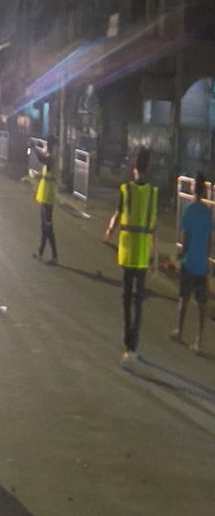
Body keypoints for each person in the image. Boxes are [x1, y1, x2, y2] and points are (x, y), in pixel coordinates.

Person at [104, 147, 157, 364]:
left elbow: (117, 215)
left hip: (126, 252)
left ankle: (128, 344)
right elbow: (153, 229)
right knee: (138, 302)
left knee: (126, 299)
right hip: (143, 254)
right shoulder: (153, 193)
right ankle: (134, 345)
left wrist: (109, 231)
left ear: (134, 166)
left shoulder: (126, 189)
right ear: (148, 166)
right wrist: (155, 259)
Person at [173, 173, 210, 353]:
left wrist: (181, 254)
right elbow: (209, 239)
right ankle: (198, 340)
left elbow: (186, 238)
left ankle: (179, 331)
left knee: (184, 298)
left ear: (195, 188)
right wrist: (207, 257)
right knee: (201, 303)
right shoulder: (207, 213)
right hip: (202, 263)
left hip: (189, 261)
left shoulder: (188, 210)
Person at [33, 135, 58, 264]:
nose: (47, 146)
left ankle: (54, 256)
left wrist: (34, 148)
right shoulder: (50, 157)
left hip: (48, 196)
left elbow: (43, 159)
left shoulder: (52, 158)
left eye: (48, 144)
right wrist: (37, 175)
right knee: (44, 226)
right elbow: (44, 172)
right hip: (43, 195)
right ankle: (40, 252)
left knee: (48, 226)